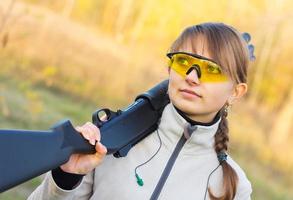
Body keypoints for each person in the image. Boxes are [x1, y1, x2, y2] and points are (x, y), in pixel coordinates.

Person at [28, 22, 254, 200]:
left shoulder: (235, 187)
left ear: (236, 92)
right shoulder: (109, 141)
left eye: (212, 69)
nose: (191, 77)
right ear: (169, 69)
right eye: (183, 61)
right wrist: (66, 179)